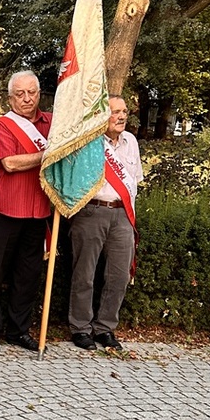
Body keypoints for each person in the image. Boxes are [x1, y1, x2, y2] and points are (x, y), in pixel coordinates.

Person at [0, 70, 52, 353]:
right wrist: (48, 154)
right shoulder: (2, 126)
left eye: (31, 92)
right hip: (7, 209)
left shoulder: (51, 123)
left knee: (28, 275)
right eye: (20, 94)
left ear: (39, 93)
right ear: (10, 98)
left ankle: (18, 330)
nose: (27, 98)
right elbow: (9, 163)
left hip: (38, 209)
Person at [68, 95, 143, 351]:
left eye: (124, 111)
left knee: (119, 275)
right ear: (102, 116)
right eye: (115, 112)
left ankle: (105, 328)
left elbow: (134, 182)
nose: (122, 116)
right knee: (85, 273)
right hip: (92, 212)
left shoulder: (131, 142)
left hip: (122, 214)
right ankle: (80, 328)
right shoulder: (90, 143)